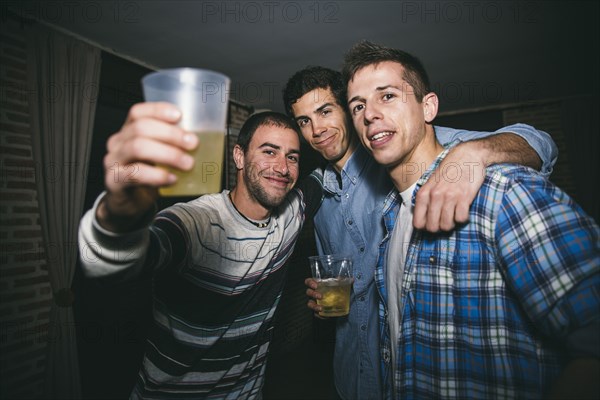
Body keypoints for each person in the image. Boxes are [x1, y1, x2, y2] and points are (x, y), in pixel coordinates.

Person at [343, 40, 599, 399]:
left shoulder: (503, 190)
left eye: (387, 96)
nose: (369, 114)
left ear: (428, 106)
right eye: (358, 106)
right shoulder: (391, 214)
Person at [282, 67, 558, 399]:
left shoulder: (398, 154)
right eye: (304, 121)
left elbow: (539, 144)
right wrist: (324, 295)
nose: (317, 129)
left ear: (348, 109)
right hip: (349, 374)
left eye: (325, 111)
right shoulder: (320, 199)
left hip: (413, 374)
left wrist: (474, 152)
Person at [78, 108, 322, 399]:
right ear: (239, 156)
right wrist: (117, 217)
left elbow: (328, 172)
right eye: (269, 152)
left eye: (292, 157)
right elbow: (119, 260)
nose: (283, 167)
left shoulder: (291, 213)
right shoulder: (197, 222)